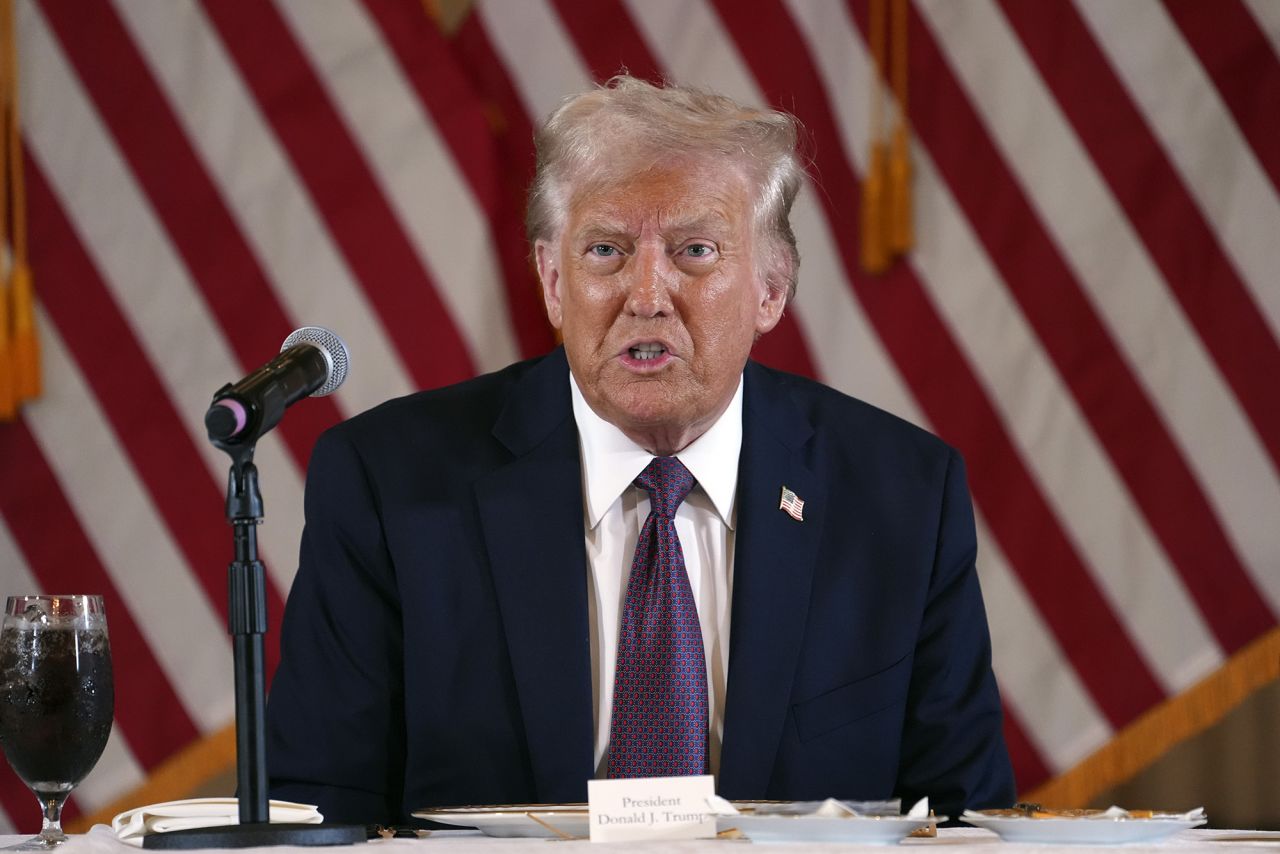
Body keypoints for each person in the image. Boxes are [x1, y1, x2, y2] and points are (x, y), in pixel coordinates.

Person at [265, 76, 1014, 825]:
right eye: (605, 250)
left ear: (771, 289)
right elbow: (320, 812)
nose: (647, 294)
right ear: (554, 283)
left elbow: (964, 822)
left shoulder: (901, 495)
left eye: (695, 251)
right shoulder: (390, 484)